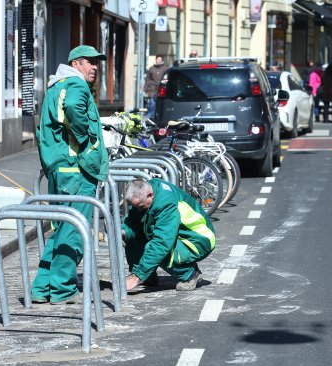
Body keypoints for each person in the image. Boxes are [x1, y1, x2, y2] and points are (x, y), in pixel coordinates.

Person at [31, 45, 109, 304]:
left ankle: (42, 288)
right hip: (75, 169)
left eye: (97, 63)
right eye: (90, 62)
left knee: (64, 229)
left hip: (62, 169)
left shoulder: (57, 85)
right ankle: (63, 289)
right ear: (76, 63)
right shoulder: (75, 85)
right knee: (74, 231)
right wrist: (86, 138)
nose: (95, 67)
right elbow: (75, 108)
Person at [122, 178, 216, 292]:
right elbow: (133, 221)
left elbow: (162, 242)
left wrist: (137, 277)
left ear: (150, 195)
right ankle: (148, 276)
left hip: (198, 240)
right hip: (178, 235)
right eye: (135, 206)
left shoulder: (166, 203)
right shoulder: (146, 194)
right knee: (131, 237)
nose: (138, 209)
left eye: (140, 206)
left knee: (157, 249)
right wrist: (123, 231)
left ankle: (190, 274)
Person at [143, 54, 168, 119]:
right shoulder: (151, 69)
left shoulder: (165, 69)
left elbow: (167, 79)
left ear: (162, 60)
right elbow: (147, 79)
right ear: (156, 60)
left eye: (160, 60)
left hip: (161, 90)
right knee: (152, 105)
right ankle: (149, 118)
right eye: (157, 59)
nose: (158, 61)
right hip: (152, 90)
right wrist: (145, 89)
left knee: (160, 105)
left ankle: (157, 118)